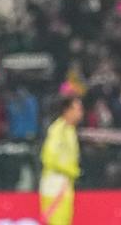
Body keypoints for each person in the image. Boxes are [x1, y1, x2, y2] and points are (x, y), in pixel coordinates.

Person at [39, 95, 83, 225]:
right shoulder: (58, 129)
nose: (81, 112)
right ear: (67, 110)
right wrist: (72, 170)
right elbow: (48, 157)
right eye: (78, 109)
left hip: (66, 184)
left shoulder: (70, 129)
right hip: (55, 184)